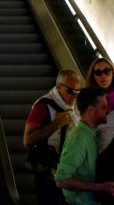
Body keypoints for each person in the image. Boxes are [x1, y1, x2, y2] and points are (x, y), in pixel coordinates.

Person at [23, 70, 83, 205]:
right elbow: (27, 140)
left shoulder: (75, 106)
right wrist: (55, 124)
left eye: (78, 92)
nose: (74, 96)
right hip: (49, 174)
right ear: (59, 87)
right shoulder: (43, 106)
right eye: (71, 91)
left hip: (70, 172)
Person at [54, 88, 114, 203]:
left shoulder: (90, 134)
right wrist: (101, 187)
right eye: (104, 107)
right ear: (91, 110)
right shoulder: (79, 139)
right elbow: (62, 180)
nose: (109, 110)